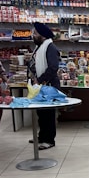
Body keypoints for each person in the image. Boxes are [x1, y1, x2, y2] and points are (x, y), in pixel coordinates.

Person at [28, 22, 60, 150]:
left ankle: (49, 140)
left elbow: (53, 67)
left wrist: (40, 80)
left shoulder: (50, 47)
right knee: (41, 113)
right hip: (40, 85)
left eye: (35, 33)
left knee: (48, 114)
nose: (33, 36)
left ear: (42, 35)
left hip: (48, 85)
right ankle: (42, 136)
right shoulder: (40, 47)